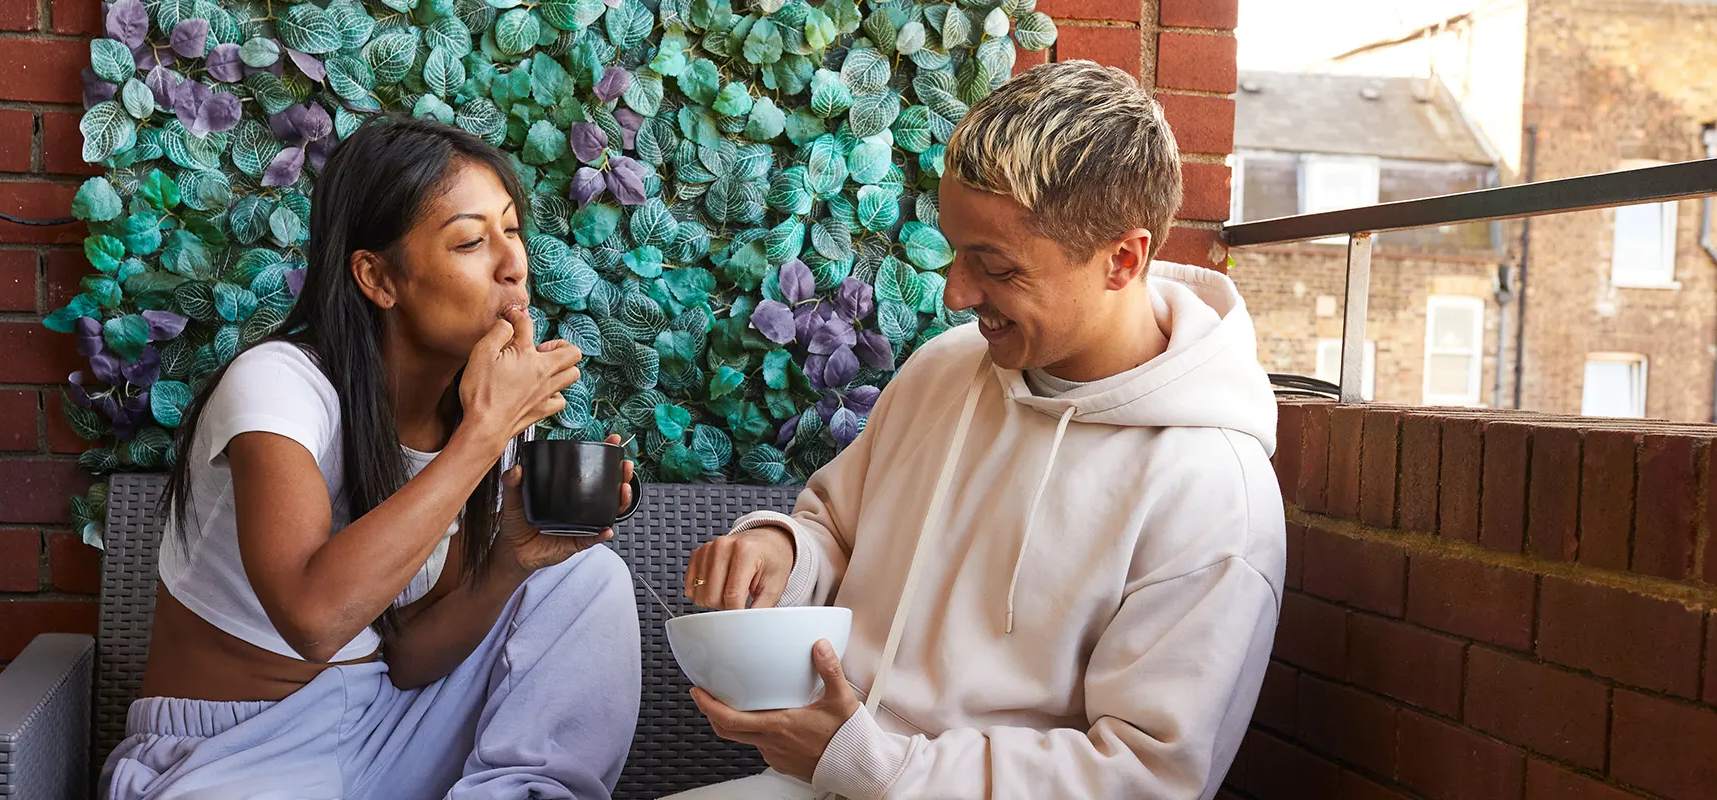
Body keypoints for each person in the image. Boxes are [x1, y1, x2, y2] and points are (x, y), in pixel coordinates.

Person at [672, 61, 1288, 799]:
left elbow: (1143, 778)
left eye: (994, 267)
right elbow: (834, 526)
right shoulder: (946, 369)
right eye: (957, 251)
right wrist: (783, 550)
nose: (956, 293)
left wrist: (871, 762)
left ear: (1123, 259)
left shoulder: (1213, 492)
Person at [102, 118, 642, 799]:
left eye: (511, 230)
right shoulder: (280, 385)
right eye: (472, 241)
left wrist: (509, 561)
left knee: (586, 576)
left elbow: (411, 659)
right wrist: (485, 432)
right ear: (378, 278)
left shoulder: (482, 410)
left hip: (385, 725)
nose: (513, 263)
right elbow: (316, 621)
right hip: (236, 755)